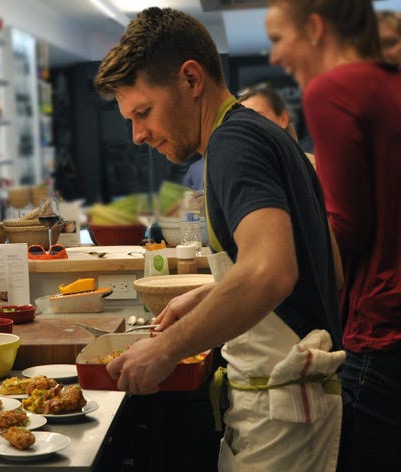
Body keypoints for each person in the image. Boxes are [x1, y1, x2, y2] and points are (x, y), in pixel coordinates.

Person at [94, 7, 344, 471]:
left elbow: (272, 271)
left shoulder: (233, 145)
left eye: (143, 113)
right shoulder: (265, 136)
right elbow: (320, 263)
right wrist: (210, 293)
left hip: (283, 417)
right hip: (294, 407)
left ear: (191, 79)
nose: (137, 135)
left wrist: (166, 349)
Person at [266, 1, 401, 470]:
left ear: (317, 29)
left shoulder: (332, 89)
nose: (274, 57)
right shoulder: (388, 83)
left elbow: (349, 226)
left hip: (379, 324)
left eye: (279, 38)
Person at [237, 82, 316, 168]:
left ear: (283, 119)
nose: (249, 124)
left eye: (258, 116)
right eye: (243, 119)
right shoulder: (235, 168)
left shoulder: (310, 166)